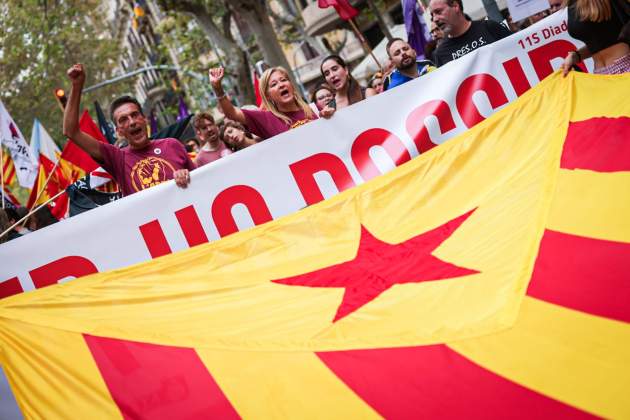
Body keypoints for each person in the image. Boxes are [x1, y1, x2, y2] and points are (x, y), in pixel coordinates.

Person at [63, 64, 195, 197]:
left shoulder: (172, 145)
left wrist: (186, 175)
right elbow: (71, 131)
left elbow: (203, 182)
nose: (132, 122)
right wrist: (76, 86)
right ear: (119, 131)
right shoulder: (117, 159)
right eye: (123, 120)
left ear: (145, 119)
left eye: (135, 115)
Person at [209, 66, 331, 140]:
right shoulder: (266, 119)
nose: (281, 85)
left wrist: (330, 116)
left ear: (291, 85)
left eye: (283, 80)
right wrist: (218, 88)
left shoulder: (316, 109)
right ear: (267, 95)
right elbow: (232, 113)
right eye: (274, 84)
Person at [429, 0, 512, 67]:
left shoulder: (489, 27)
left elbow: (516, 51)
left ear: (455, 6)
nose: (435, 19)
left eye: (438, 12)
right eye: (432, 15)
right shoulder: (440, 54)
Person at [562, 0, 630, 75]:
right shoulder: (571, 3)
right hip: (600, 75)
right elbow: (599, 43)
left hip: (626, 66)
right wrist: (575, 56)